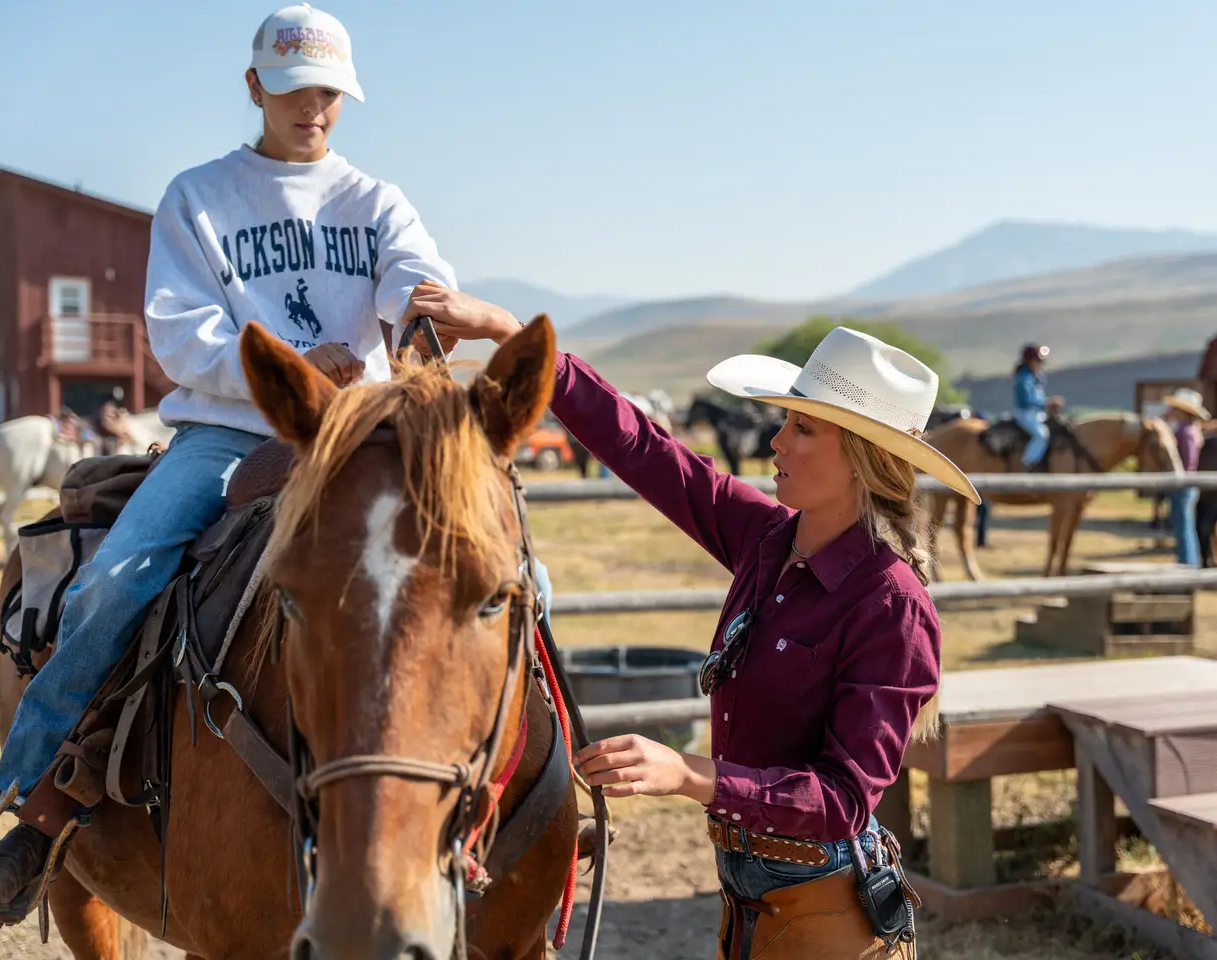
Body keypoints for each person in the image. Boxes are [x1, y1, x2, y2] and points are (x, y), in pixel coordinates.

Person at [0, 3, 558, 925]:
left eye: (328, 93)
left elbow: (411, 283)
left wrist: (413, 319)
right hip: (229, 432)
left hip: (361, 436)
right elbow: (183, 337)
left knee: (521, 581)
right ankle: (33, 812)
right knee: (112, 583)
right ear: (254, 86)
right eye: (294, 88)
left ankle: (535, 799)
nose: (312, 107)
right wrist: (289, 373)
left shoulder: (376, 201)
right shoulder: (200, 196)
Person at [414, 294, 979, 959]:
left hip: (826, 913)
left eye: (801, 428)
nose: (775, 440)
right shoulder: (766, 539)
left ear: (859, 457)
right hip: (753, 899)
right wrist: (521, 344)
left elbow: (841, 800)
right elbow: (650, 454)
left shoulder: (890, 603)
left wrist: (686, 774)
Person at [1162, 387, 1207, 567]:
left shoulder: (1185, 432)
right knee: (1184, 525)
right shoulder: (1188, 430)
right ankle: (1187, 562)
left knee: (1183, 526)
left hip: (1183, 486)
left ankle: (1187, 563)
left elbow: (1187, 462)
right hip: (1186, 485)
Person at [1013, 343, 1051, 469]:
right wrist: (1047, 402)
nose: (1040, 364)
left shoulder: (1034, 377)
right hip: (1027, 415)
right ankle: (1028, 463)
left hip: (1037, 414)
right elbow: (1026, 401)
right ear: (1030, 361)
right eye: (1038, 361)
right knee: (1041, 435)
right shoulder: (1024, 379)